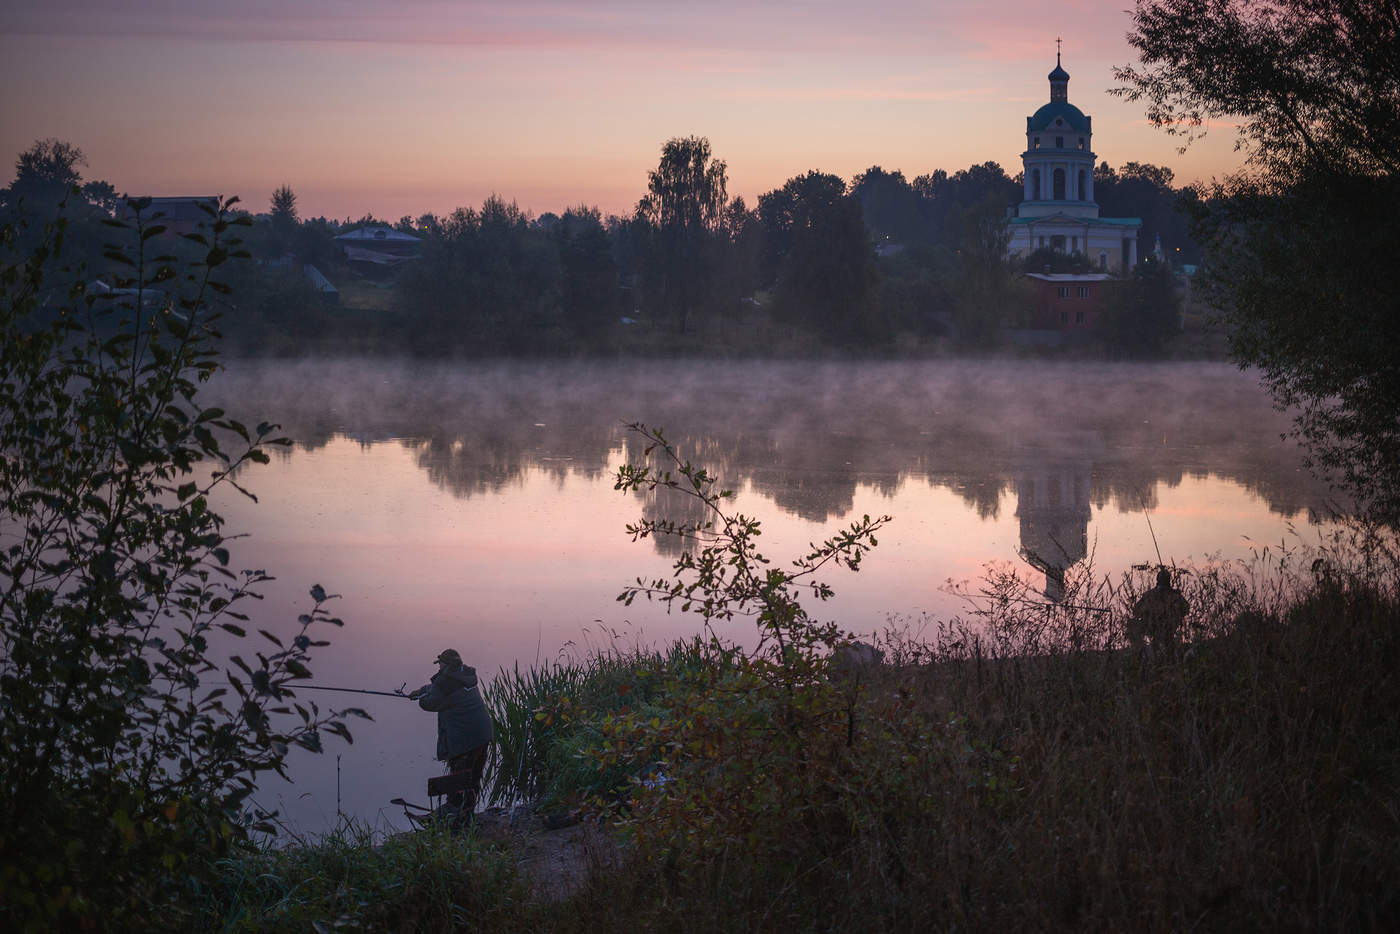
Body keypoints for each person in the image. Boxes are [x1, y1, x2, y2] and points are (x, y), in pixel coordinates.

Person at [411, 648, 493, 826]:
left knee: (459, 778)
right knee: (473, 776)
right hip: (482, 734)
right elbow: (439, 689)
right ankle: (466, 813)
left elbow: (430, 703)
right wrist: (421, 690)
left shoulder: (445, 682)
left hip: (465, 740)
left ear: (445, 664)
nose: (438, 667)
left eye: (440, 663)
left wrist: (420, 698)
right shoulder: (464, 675)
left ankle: (454, 818)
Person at [1129, 567, 1190, 656]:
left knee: (1132, 624)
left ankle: (1140, 652)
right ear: (1169, 580)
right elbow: (1186, 608)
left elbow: (1136, 611)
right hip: (1167, 627)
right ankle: (1143, 651)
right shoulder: (1174, 595)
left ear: (1157, 580)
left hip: (1156, 627)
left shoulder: (1150, 595)